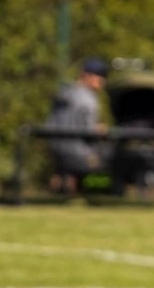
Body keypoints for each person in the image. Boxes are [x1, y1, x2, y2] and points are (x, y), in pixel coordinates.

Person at [44, 58, 113, 195]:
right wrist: (99, 130)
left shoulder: (64, 92)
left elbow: (50, 125)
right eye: (99, 76)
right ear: (85, 75)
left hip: (56, 150)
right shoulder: (88, 99)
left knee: (63, 172)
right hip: (79, 153)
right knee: (109, 161)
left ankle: (59, 193)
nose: (102, 81)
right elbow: (89, 132)